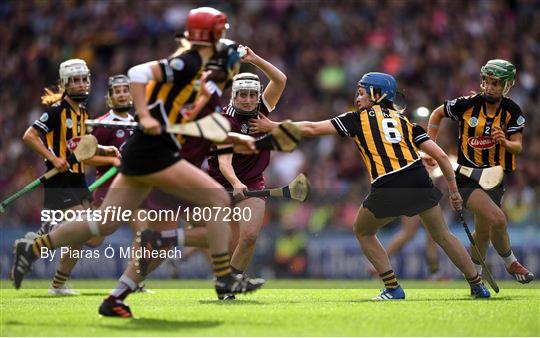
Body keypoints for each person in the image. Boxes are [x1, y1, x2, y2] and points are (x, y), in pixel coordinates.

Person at [11, 7, 263, 315]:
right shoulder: (188, 64)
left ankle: (50, 257)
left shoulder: (208, 85)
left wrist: (236, 140)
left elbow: (199, 128)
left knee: (104, 222)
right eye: (223, 39)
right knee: (215, 199)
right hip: (156, 154)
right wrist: (143, 114)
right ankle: (225, 278)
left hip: (146, 153)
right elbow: (138, 74)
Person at [250, 72, 491, 300]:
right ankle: (477, 284)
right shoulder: (405, 122)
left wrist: (273, 126)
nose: (357, 97)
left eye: (362, 92)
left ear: (377, 94)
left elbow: (312, 128)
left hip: (389, 182)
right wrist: (453, 190)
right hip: (418, 178)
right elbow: (439, 156)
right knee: (443, 235)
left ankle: (392, 288)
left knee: (362, 230)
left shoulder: (357, 119)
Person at [98, 38, 245, 316]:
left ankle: (115, 297)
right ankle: (221, 277)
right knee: (216, 213)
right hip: (168, 168)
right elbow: (205, 130)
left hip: (167, 166)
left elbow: (207, 130)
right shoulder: (204, 88)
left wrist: (242, 140)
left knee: (209, 233)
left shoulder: (207, 89)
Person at [425, 59, 534, 284]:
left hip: (494, 177)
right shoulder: (467, 104)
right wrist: (430, 146)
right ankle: (510, 261)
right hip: (466, 176)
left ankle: (475, 275)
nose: (491, 87)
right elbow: (437, 114)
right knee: (499, 219)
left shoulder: (512, 110)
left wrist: (504, 141)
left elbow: (518, 146)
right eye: (488, 82)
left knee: (483, 234)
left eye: (497, 83)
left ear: (507, 86)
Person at [21, 59, 119, 295]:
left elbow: (84, 155)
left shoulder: (84, 114)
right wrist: (53, 159)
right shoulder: (56, 112)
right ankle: (37, 243)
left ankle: (58, 283)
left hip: (77, 181)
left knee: (93, 236)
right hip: (59, 181)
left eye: (84, 79)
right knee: (84, 226)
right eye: (75, 80)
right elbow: (29, 136)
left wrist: (112, 158)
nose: (81, 84)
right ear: (65, 83)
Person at [206, 45, 287, 281]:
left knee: (249, 236)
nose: (249, 100)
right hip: (220, 184)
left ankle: (230, 281)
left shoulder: (262, 109)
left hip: (252, 181)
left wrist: (255, 59)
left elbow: (280, 80)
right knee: (227, 242)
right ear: (234, 95)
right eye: (244, 95)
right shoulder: (225, 120)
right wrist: (235, 182)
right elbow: (224, 161)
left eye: (253, 94)